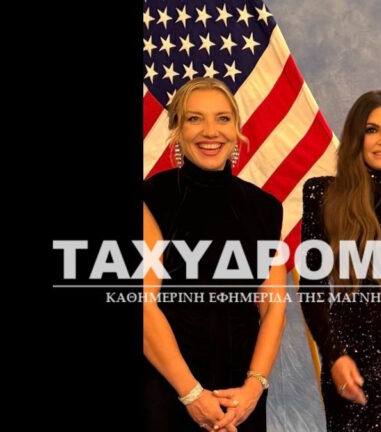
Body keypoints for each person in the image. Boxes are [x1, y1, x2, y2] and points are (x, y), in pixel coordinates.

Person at [143, 77, 287, 432]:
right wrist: (191, 394)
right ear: (177, 129)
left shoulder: (266, 207)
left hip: (242, 396)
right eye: (195, 119)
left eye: (223, 118)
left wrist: (254, 387)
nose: (211, 131)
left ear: (236, 128)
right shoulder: (152, 198)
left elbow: (273, 307)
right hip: (167, 388)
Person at [299, 90, 381, 431]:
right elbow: (312, 288)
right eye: (371, 130)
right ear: (356, 137)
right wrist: (333, 355)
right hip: (352, 370)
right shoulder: (323, 194)